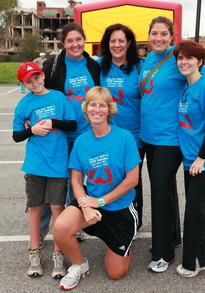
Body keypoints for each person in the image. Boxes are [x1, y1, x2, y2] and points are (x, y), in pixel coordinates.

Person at [54, 86, 141, 290]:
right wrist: (85, 206)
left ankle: (126, 244)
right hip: (91, 204)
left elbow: (133, 179)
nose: (97, 109)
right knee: (60, 227)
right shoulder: (81, 141)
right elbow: (75, 180)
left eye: (102, 105)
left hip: (118, 208)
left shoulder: (124, 137)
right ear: (86, 109)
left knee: (116, 273)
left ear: (109, 110)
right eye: (93, 104)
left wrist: (100, 201)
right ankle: (79, 265)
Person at [13, 62, 77, 278]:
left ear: (43, 76)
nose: (34, 83)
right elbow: (16, 135)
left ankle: (58, 255)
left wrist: (53, 122)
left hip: (58, 163)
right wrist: (32, 129)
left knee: (58, 208)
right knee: (35, 208)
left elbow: (73, 125)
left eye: (36, 78)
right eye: (28, 81)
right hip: (35, 164)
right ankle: (35, 252)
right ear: (23, 84)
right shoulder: (24, 104)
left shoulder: (58, 97)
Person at [40, 22, 100, 243]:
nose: (75, 44)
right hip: (60, 135)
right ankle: (43, 227)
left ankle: (71, 224)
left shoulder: (93, 65)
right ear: (63, 43)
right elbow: (39, 94)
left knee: (77, 182)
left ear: (84, 40)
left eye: (78, 39)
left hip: (85, 135)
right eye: (69, 40)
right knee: (55, 181)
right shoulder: (52, 65)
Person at [173, 40, 205, 277]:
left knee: (193, 211)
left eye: (189, 58)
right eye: (180, 58)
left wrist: (201, 158)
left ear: (200, 61)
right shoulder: (188, 85)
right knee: (202, 211)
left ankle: (192, 263)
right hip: (191, 159)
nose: (183, 62)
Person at [139, 16, 185, 272]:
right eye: (154, 33)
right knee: (165, 189)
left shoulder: (178, 56)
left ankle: (163, 253)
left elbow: (203, 76)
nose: (158, 38)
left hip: (170, 138)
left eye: (163, 34)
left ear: (171, 37)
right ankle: (172, 237)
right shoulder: (148, 60)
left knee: (158, 189)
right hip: (149, 137)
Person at [99, 23, 145, 229]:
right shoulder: (97, 66)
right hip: (107, 135)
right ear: (107, 44)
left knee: (133, 181)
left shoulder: (140, 67)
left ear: (129, 44)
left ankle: (133, 223)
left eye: (121, 41)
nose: (117, 45)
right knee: (110, 177)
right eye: (113, 41)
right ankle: (112, 222)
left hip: (135, 136)